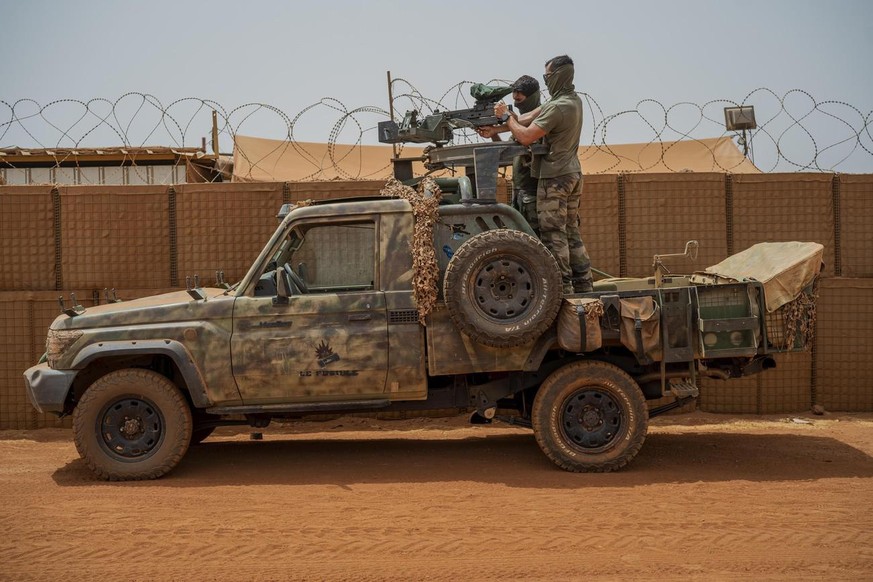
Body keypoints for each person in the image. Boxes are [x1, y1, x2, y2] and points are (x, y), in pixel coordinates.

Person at [495, 55, 594, 294]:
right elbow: (529, 117)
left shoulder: (558, 106)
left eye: (547, 76)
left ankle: (564, 288)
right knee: (570, 231)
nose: (546, 81)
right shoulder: (571, 100)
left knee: (553, 233)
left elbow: (527, 135)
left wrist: (507, 118)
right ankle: (584, 284)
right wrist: (498, 125)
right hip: (571, 173)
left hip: (554, 178)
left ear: (558, 76)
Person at [476, 75, 542, 235]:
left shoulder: (540, 121)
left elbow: (527, 141)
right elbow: (506, 153)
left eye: (520, 98)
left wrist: (506, 120)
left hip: (534, 193)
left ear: (532, 97)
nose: (516, 101)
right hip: (519, 192)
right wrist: (491, 132)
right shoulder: (516, 124)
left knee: (537, 238)